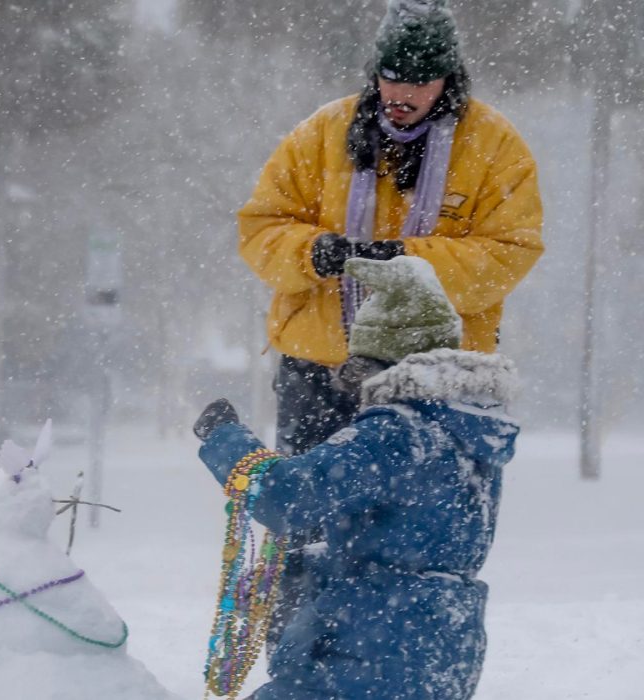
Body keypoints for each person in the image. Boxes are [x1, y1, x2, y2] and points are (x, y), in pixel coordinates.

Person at [235, 0, 543, 643]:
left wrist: (404, 259)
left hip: (435, 386)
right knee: (306, 534)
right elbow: (260, 226)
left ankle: (395, 667)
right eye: (391, 76)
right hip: (321, 370)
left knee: (414, 544)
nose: (401, 93)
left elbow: (510, 253)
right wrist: (310, 253)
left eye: (421, 81)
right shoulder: (321, 133)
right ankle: (299, 658)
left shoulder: (496, 148)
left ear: (449, 81)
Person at [194, 256, 519, 700]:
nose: (355, 388)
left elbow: (288, 497)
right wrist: (298, 566)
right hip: (440, 649)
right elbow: (411, 549)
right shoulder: (467, 432)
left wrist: (225, 439)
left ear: (384, 362)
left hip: (367, 653)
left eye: (357, 369)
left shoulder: (397, 431)